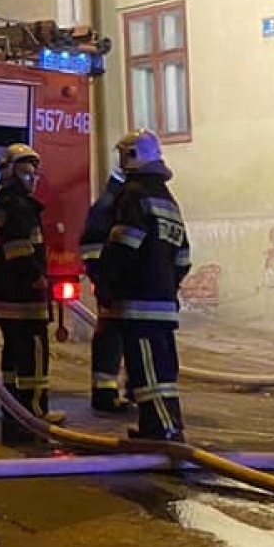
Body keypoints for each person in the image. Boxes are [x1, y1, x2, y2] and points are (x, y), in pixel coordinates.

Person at [98, 130, 191, 442]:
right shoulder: (168, 199)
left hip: (137, 303)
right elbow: (183, 257)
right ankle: (159, 427)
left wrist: (104, 281)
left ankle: (163, 429)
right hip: (162, 303)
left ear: (131, 156)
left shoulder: (134, 194)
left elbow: (123, 246)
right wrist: (167, 287)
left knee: (147, 373)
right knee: (162, 370)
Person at [0, 142, 64, 444]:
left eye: (34, 173)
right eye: (27, 172)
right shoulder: (19, 207)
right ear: (13, 173)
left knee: (12, 351)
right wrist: (37, 278)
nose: (32, 179)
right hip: (23, 297)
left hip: (3, 295)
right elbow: (18, 249)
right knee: (34, 351)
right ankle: (34, 410)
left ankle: (12, 405)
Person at [79, 157, 131, 414]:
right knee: (111, 336)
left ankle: (128, 390)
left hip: (122, 286)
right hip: (113, 287)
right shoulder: (109, 206)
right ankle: (104, 393)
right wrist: (103, 280)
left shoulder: (122, 203)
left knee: (126, 336)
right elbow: (90, 246)